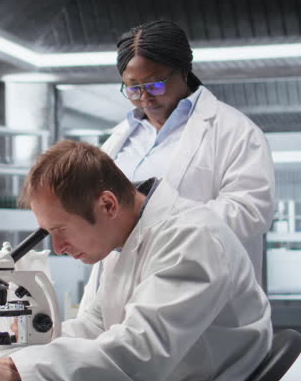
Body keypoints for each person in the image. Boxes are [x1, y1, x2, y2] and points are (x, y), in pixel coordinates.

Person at [0, 141, 272, 381]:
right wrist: (26, 346)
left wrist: (16, 368)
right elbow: (98, 325)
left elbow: (139, 355)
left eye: (60, 230)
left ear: (107, 205)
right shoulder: (126, 238)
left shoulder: (191, 238)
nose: (58, 247)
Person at [81, 20, 274, 329]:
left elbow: (250, 211)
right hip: (121, 291)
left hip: (200, 295)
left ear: (183, 71)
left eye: (155, 84)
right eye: (132, 88)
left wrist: (154, 228)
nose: (145, 97)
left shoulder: (235, 131)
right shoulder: (119, 139)